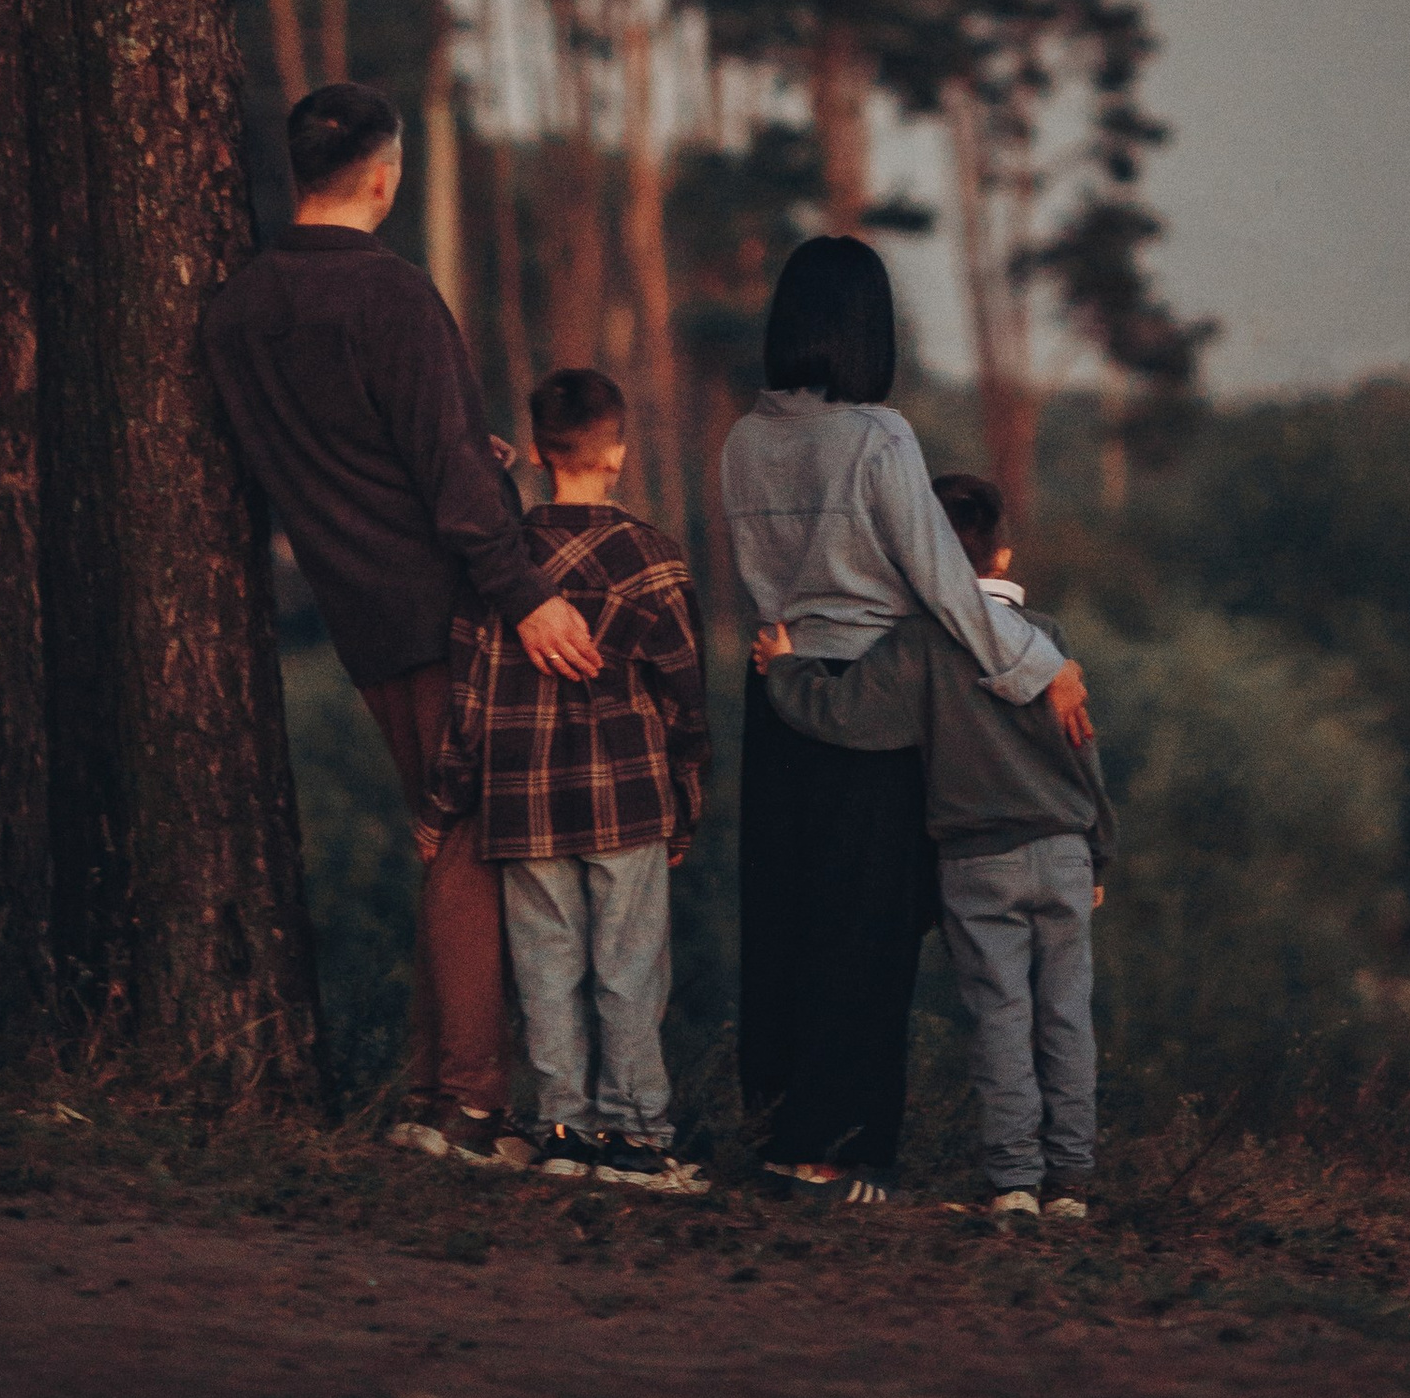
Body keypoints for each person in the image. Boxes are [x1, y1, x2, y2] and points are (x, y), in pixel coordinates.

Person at [202, 81, 599, 1166]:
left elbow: (361, 447)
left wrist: (471, 452)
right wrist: (530, 594)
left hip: (356, 611)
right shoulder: (393, 294)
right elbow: (451, 491)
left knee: (445, 834)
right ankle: (468, 1106)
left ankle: (436, 1092)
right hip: (449, 604)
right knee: (470, 841)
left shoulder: (237, 309)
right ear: (385, 172)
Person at [719, 233, 1094, 1203]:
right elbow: (946, 586)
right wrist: (1038, 663)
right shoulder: (878, 436)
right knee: (864, 926)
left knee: (785, 913)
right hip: (874, 693)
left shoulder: (742, 439)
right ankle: (832, 1150)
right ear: (865, 329)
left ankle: (776, 1125)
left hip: (776, 687)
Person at [758, 468, 1111, 1221]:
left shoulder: (919, 642)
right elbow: (1086, 756)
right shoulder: (1050, 640)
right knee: (1067, 1013)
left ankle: (1014, 1181)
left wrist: (784, 669)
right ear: (1004, 556)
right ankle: (1073, 1180)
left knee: (1002, 1018)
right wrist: (1099, 854)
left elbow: (844, 715)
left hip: (979, 861)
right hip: (1063, 849)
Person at [428, 365, 711, 1192]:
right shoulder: (654, 560)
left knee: (547, 966)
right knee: (628, 968)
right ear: (616, 452)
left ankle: (562, 1132)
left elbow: (469, 692)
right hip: (627, 801)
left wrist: (446, 800)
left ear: (542, 453)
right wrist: (686, 801)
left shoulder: (502, 565)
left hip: (523, 803)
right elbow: (685, 701)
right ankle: (635, 1139)